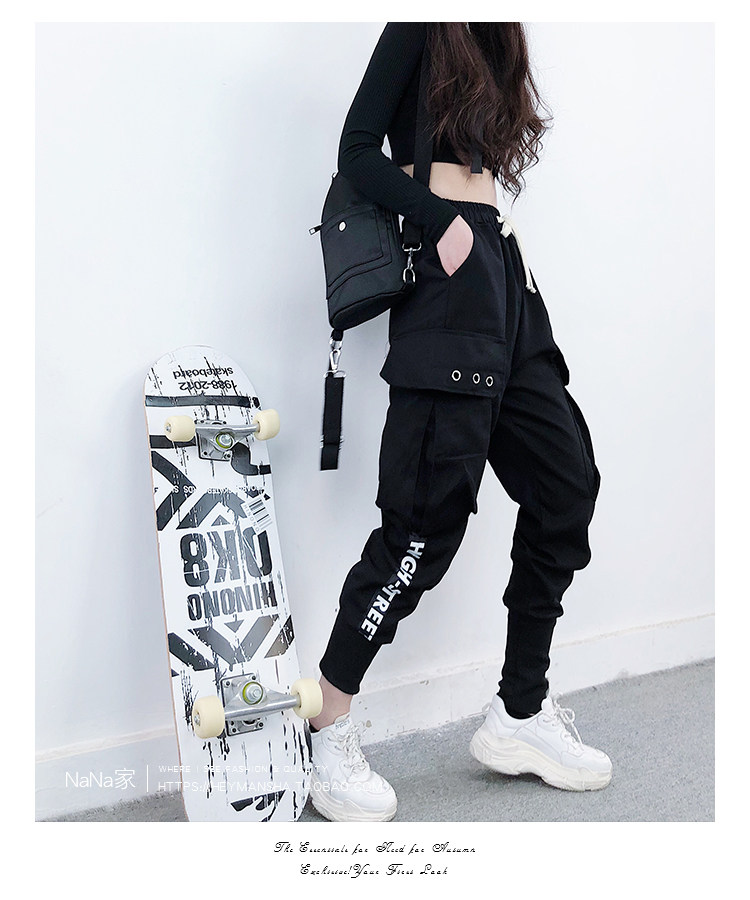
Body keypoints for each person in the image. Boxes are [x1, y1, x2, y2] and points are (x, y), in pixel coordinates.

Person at [308, 22, 612, 823]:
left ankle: (520, 712)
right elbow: (357, 150)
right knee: (422, 525)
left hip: (503, 274)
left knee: (566, 485)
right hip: (447, 282)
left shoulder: (497, 34)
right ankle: (327, 723)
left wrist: (472, 234)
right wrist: (438, 218)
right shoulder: (420, 22)